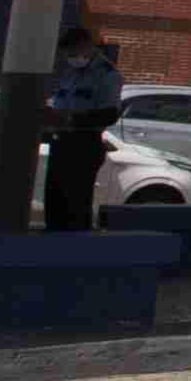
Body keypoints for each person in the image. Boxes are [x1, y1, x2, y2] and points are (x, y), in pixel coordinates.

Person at [44, 27, 123, 230]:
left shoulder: (107, 74)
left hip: (84, 145)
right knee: (55, 203)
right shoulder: (70, 72)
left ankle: (75, 251)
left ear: (87, 46)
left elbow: (110, 114)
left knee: (76, 206)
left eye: (73, 53)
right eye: (68, 55)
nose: (70, 58)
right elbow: (60, 102)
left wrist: (70, 119)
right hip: (60, 142)